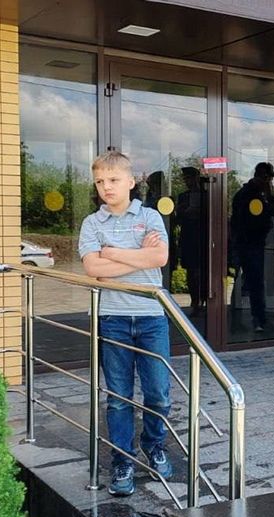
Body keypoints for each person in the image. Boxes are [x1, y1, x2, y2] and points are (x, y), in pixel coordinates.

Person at [78, 151, 173, 496]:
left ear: (131, 182)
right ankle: (123, 460)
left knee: (158, 393)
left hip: (151, 317)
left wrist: (112, 253)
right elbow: (92, 269)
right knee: (118, 397)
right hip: (112, 318)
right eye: (100, 181)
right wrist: (135, 257)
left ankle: (155, 444)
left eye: (114, 180)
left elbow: (159, 258)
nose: (106, 187)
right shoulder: (92, 224)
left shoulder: (149, 217)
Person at [231, 162, 274, 332]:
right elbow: (267, 212)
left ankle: (256, 318)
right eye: (268, 179)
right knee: (253, 281)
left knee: (250, 281)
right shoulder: (249, 195)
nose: (270, 183)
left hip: (252, 243)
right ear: (262, 177)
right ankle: (257, 318)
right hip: (248, 244)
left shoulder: (253, 194)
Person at [176, 166, 208, 316]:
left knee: (203, 271)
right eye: (186, 178)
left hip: (204, 238)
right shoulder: (183, 197)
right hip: (189, 238)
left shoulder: (207, 195)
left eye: (190, 178)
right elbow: (177, 217)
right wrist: (184, 211)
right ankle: (195, 301)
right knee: (191, 272)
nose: (188, 181)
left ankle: (204, 300)